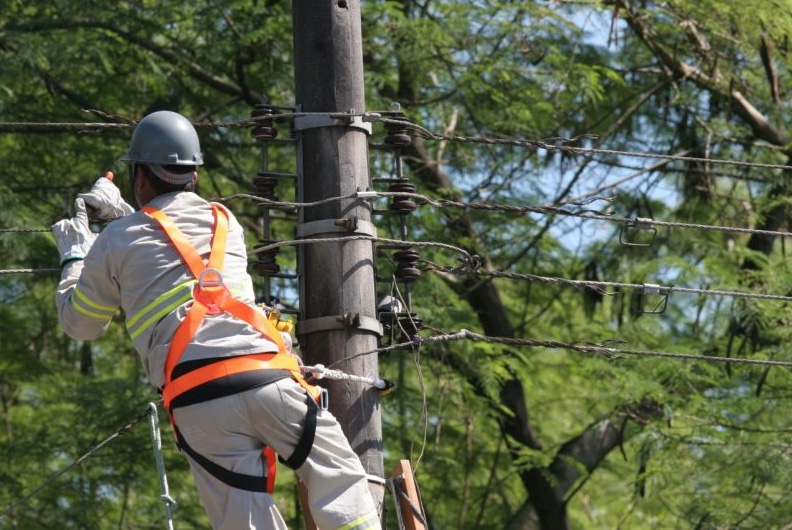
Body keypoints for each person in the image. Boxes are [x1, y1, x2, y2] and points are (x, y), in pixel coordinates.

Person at [51, 110, 381, 530]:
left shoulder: (117, 241)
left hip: (200, 403)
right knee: (340, 482)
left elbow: (81, 323)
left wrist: (76, 254)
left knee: (244, 521)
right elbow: (169, 243)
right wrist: (125, 216)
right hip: (266, 379)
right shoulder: (225, 220)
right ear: (194, 176)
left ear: (139, 176)